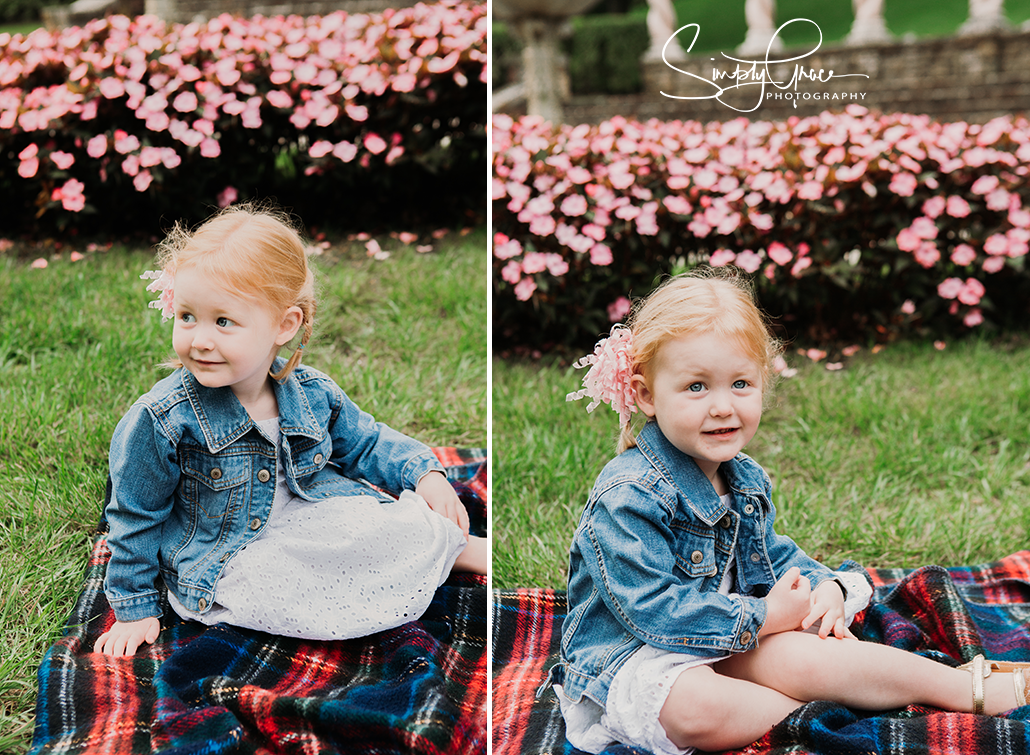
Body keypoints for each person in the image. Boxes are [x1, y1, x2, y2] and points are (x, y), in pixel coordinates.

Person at [558, 269, 1029, 754]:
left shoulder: (743, 477)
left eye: (740, 383)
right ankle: (844, 713)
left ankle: (965, 686)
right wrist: (766, 615)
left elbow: (770, 555)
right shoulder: (629, 495)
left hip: (732, 639)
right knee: (695, 708)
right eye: (696, 387)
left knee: (815, 655)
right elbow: (654, 612)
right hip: (641, 656)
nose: (723, 407)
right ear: (646, 394)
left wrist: (821, 584)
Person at [94, 204, 486, 658]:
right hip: (229, 549)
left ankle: (455, 549)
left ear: (284, 325)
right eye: (187, 317)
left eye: (223, 322)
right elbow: (134, 515)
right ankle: (399, 572)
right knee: (275, 579)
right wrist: (134, 606)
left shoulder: (311, 392)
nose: (200, 339)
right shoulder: (162, 418)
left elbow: (368, 442)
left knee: (378, 525)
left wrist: (425, 473)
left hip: (310, 513)